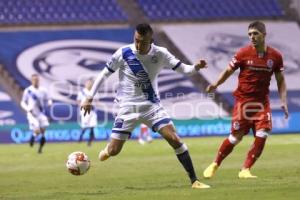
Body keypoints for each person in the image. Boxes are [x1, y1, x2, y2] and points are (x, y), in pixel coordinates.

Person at [81, 23, 210, 189]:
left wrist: (196, 67)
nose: (138, 45)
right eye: (136, 40)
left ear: (151, 40)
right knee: (114, 151)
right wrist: (90, 97)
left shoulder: (161, 53)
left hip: (151, 106)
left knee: (174, 139)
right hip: (127, 108)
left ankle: (194, 181)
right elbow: (104, 74)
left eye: (142, 42)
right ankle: (108, 149)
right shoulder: (124, 52)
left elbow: (185, 70)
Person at [203, 21, 288, 179]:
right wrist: (215, 84)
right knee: (236, 137)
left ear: (264, 35)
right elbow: (228, 71)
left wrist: (283, 101)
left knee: (262, 134)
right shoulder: (243, 53)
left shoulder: (276, 56)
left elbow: (281, 80)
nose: (252, 37)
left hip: (262, 103)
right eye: (250, 34)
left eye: (255, 33)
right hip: (244, 102)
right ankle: (215, 163)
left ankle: (245, 169)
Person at [20, 74, 52, 153]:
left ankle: (40, 149)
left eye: (37, 80)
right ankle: (33, 137)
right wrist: (27, 108)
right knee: (37, 130)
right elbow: (22, 102)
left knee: (43, 132)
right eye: (34, 80)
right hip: (32, 114)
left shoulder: (43, 90)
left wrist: (49, 103)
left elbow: (48, 99)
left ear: (39, 80)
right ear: (31, 80)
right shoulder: (28, 91)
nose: (35, 81)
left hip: (41, 113)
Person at [77, 79, 97, 146]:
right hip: (85, 110)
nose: (89, 84)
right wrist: (81, 105)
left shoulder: (94, 91)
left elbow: (97, 100)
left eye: (90, 83)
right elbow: (78, 101)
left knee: (92, 126)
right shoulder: (82, 92)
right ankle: (80, 138)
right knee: (85, 125)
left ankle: (89, 142)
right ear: (85, 84)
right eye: (88, 83)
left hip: (92, 110)